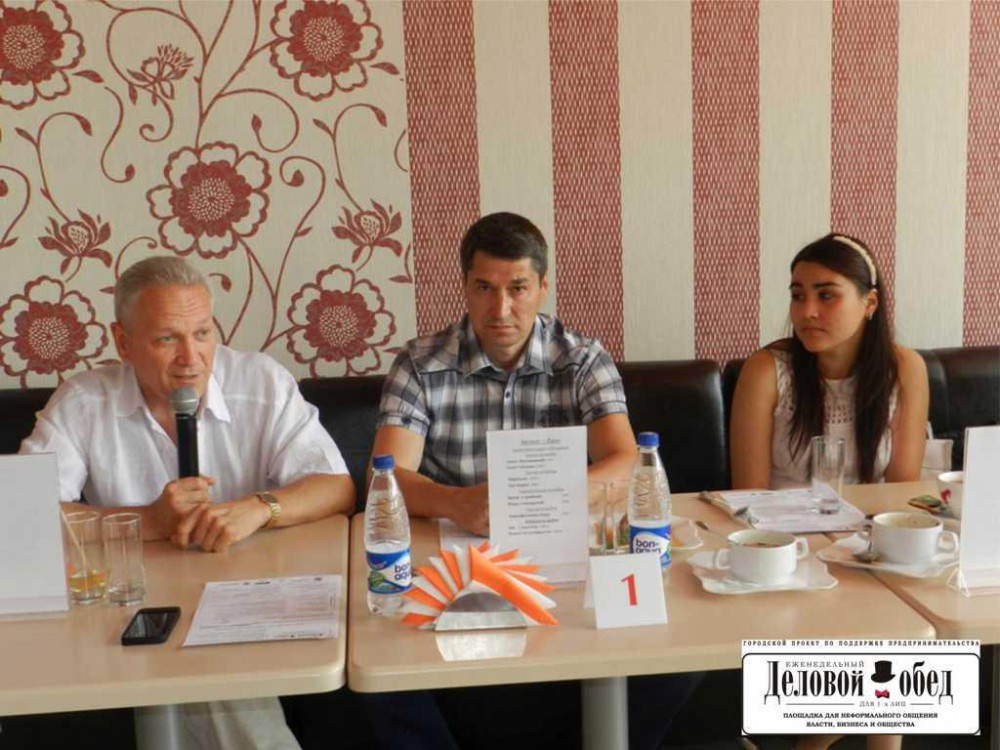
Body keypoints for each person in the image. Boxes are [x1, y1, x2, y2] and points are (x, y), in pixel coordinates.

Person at [369, 211, 702, 750]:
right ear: (465, 287)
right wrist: (456, 502)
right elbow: (387, 477)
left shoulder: (583, 359)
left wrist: (544, 498)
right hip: (461, 563)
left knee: (678, 657)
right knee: (378, 669)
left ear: (543, 287)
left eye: (518, 288)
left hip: (563, 556)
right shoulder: (419, 363)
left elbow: (625, 459)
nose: (501, 309)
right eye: (485, 288)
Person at [21, 255, 355, 749]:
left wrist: (261, 507)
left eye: (202, 333)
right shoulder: (83, 403)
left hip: (249, 597)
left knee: (212, 669)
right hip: (134, 607)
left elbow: (337, 486)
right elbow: (23, 519)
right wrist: (147, 521)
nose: (191, 358)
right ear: (123, 342)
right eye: (166, 339)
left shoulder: (260, 383)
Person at [730, 232, 929, 750]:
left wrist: (858, 549)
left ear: (870, 303)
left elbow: (901, 495)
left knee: (893, 633)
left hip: (870, 554)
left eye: (826, 295)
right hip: (787, 553)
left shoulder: (905, 369)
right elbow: (748, 498)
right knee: (886, 649)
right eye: (798, 295)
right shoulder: (767, 370)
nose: (807, 312)